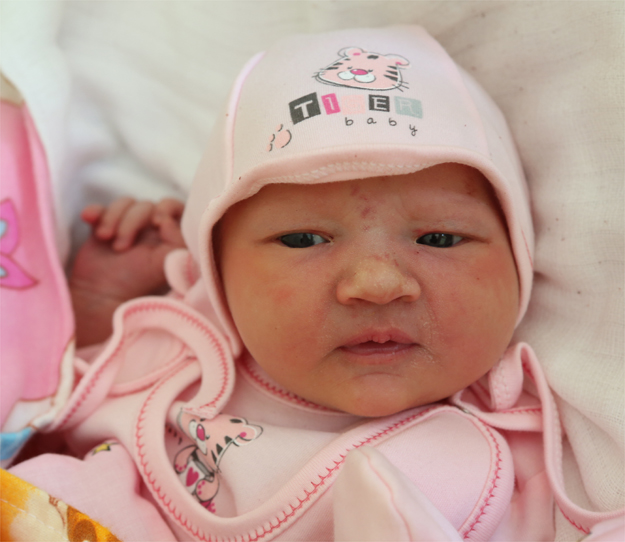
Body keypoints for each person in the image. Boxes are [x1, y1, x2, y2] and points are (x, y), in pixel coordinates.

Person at [9, 25, 623, 541]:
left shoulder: (538, 470)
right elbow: (46, 414)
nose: (376, 283)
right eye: (303, 239)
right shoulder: (172, 349)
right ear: (213, 271)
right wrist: (99, 303)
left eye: (439, 239)